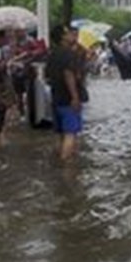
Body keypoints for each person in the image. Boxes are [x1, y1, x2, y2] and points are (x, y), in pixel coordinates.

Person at [47, 24, 85, 161]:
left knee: (60, 134)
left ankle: (58, 162)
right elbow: (69, 74)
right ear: (63, 37)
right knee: (70, 133)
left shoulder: (52, 53)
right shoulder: (68, 54)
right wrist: (75, 97)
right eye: (68, 33)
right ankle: (66, 169)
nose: (72, 35)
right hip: (68, 100)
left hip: (56, 98)